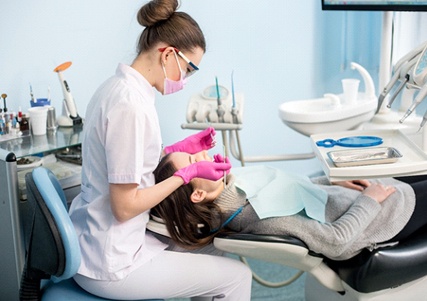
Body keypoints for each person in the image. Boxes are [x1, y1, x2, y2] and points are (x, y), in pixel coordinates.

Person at [68, 1, 252, 300]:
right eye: (188, 69)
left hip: (96, 240)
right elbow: (124, 206)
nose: (186, 78)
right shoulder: (131, 107)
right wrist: (186, 173)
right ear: (167, 53)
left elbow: (127, 161)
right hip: (114, 264)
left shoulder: (117, 88)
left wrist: (179, 149)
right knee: (237, 278)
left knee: (210, 249)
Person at [153, 150, 427, 261]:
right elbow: (335, 241)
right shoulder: (258, 216)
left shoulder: (235, 190)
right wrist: (370, 200)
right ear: (198, 195)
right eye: (192, 161)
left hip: (359, 194)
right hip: (388, 213)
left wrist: (326, 182)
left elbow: (287, 190)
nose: (201, 153)